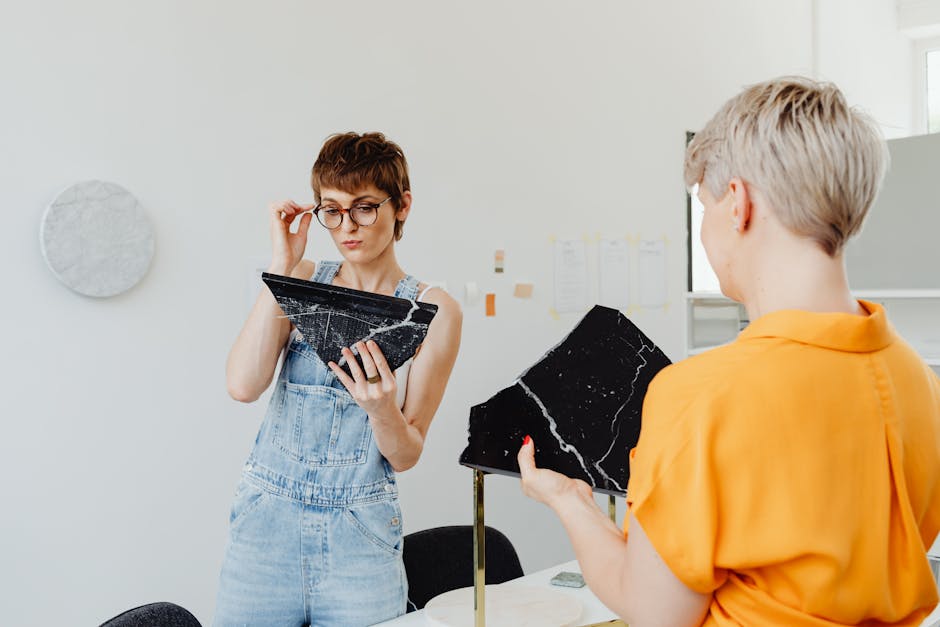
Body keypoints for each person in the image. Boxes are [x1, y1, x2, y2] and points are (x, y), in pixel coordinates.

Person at [518, 77, 940, 626]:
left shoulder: (701, 396)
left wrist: (569, 502)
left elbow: (654, 612)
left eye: (704, 208)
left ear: (737, 204)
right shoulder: (918, 381)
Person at [214, 132, 462, 626]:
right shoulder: (302, 278)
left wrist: (382, 410)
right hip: (266, 526)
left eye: (364, 207)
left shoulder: (435, 311)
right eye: (331, 209)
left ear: (402, 206)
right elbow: (243, 385)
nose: (346, 226)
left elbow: (407, 453)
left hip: (360, 537)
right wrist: (282, 265)